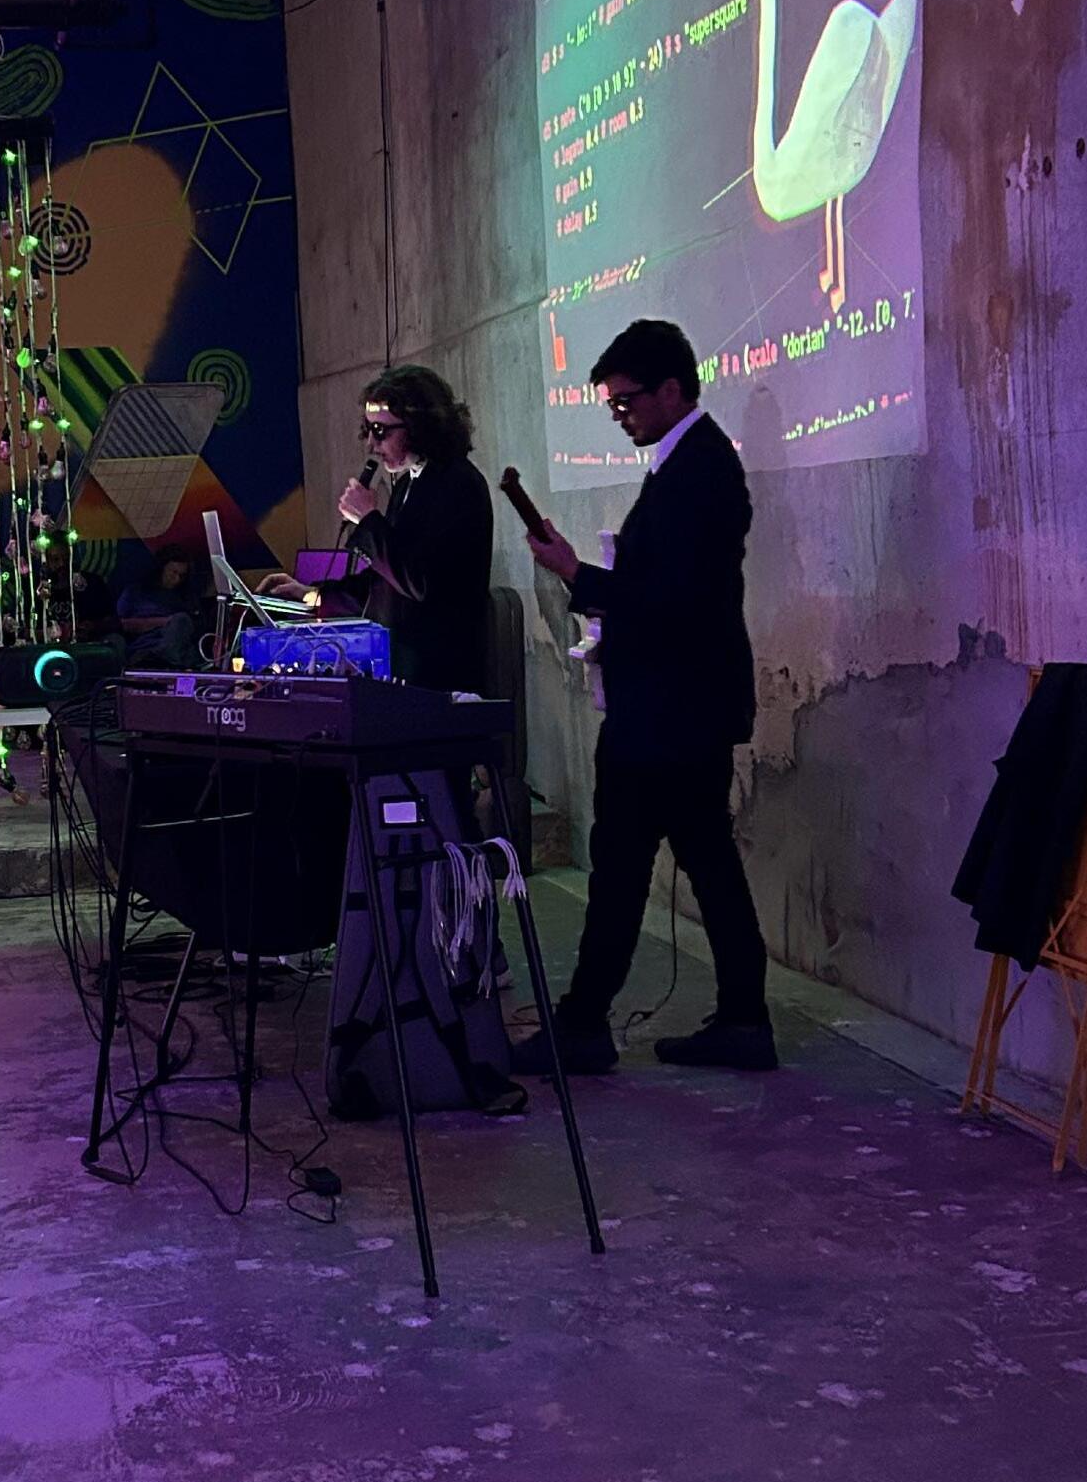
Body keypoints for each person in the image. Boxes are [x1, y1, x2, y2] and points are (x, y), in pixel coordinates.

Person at [514, 317, 775, 1077]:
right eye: (611, 405)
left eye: (626, 401)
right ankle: (740, 1020)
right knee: (700, 863)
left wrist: (576, 575)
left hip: (669, 714)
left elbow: (672, 601)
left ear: (671, 389)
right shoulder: (687, 461)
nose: (619, 415)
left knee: (625, 869)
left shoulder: (698, 470)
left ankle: (585, 1025)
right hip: (676, 708)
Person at [311, 365, 494, 692]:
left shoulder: (457, 484)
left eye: (381, 431)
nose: (371, 444)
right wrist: (315, 595)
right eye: (368, 429)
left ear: (419, 426)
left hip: (439, 675)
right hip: (403, 669)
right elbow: (386, 581)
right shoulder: (408, 483)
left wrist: (368, 519)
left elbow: (420, 581)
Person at [116, 548, 204, 670]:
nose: (177, 579)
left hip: (179, 652)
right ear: (161, 569)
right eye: (173, 573)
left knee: (182, 620)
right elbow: (121, 624)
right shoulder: (136, 592)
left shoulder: (187, 598)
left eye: (182, 575)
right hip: (145, 649)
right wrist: (164, 622)